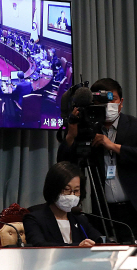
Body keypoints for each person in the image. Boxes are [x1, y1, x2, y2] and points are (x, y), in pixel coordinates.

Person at [57, 78, 137, 243]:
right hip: (104, 212)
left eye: (112, 99)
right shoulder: (89, 129)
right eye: (101, 101)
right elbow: (65, 164)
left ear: (121, 102)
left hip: (133, 208)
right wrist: (71, 134)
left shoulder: (134, 126)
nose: (107, 105)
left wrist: (113, 146)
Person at [23, 162, 102, 247]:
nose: (72, 195)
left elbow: (100, 239)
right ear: (53, 189)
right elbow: (39, 245)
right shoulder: (34, 218)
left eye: (76, 190)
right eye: (67, 189)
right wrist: (77, 247)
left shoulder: (80, 219)